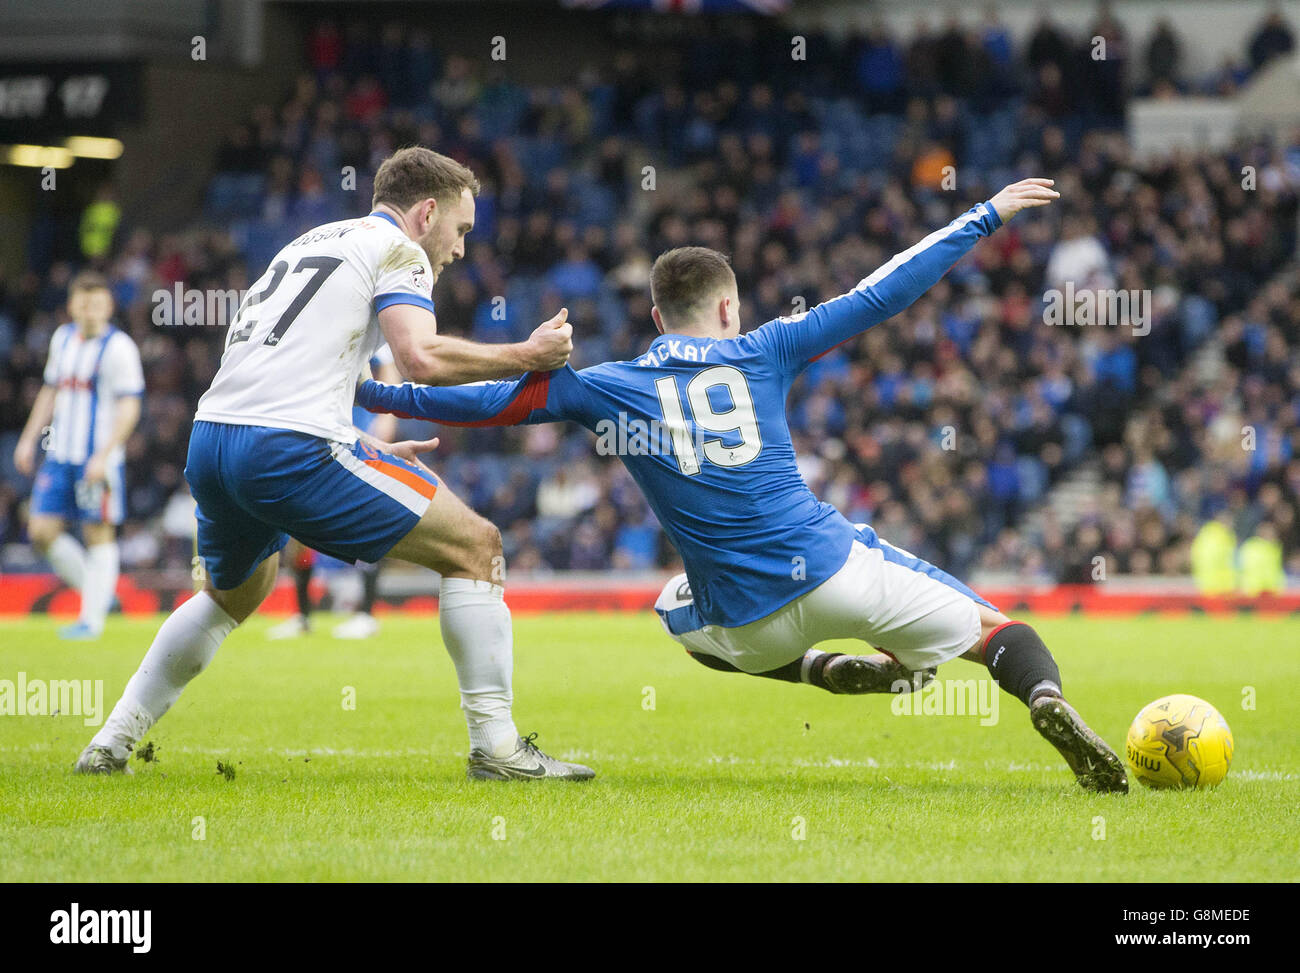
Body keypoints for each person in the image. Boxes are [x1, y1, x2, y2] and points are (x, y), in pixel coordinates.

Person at [359, 179, 1129, 793]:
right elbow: (882, 292)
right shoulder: (768, 347)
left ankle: (820, 671)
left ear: (658, 316)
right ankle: (1045, 700)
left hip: (744, 622)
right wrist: (984, 214)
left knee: (671, 607)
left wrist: (378, 394)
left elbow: (483, 403)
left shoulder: (606, 386)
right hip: (834, 571)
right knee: (1003, 633)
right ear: (728, 306)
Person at [78, 147, 593, 782]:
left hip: (212, 439)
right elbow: (422, 359)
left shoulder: (306, 244)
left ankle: (110, 743)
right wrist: (529, 353)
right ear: (426, 212)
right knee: (477, 547)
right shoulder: (400, 251)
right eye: (460, 229)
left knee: (234, 593)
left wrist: (362, 445)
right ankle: (499, 751)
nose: (459, 249)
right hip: (287, 449)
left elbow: (295, 367)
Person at [15, 271, 142, 639]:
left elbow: (129, 408)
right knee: (40, 531)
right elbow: (50, 391)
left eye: (99, 304)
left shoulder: (120, 348)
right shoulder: (63, 339)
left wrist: (104, 454)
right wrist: (28, 438)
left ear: (109, 307)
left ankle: (92, 620)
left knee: (97, 533)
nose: (91, 311)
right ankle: (100, 596)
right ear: (72, 306)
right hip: (59, 455)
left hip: (96, 460)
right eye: (85, 304)